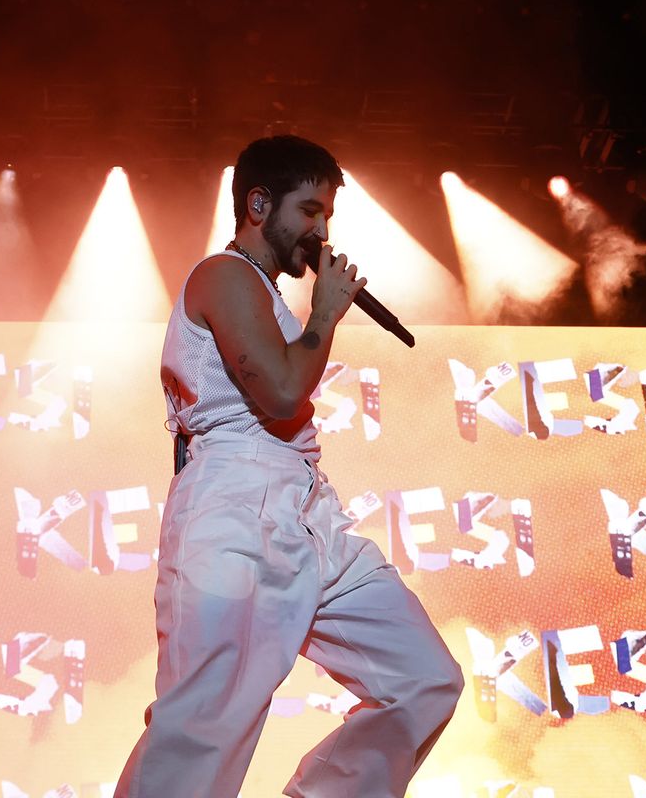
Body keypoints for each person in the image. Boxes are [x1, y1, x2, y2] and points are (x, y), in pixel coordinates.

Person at [114, 135, 463, 798]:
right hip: (236, 501)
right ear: (257, 203)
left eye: (327, 216)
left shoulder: (265, 292)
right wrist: (326, 312)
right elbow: (277, 390)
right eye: (309, 212)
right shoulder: (222, 276)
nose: (320, 231)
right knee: (206, 720)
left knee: (422, 677)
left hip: (306, 510)